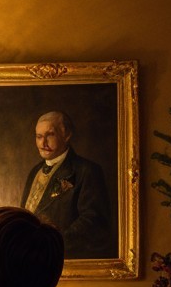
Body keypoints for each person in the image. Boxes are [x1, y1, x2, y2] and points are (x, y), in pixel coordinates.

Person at [18, 110, 113, 258]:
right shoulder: (34, 171)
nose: (43, 143)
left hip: (65, 255)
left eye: (50, 135)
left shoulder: (87, 170)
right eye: (39, 137)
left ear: (66, 135)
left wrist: (55, 243)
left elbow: (93, 220)